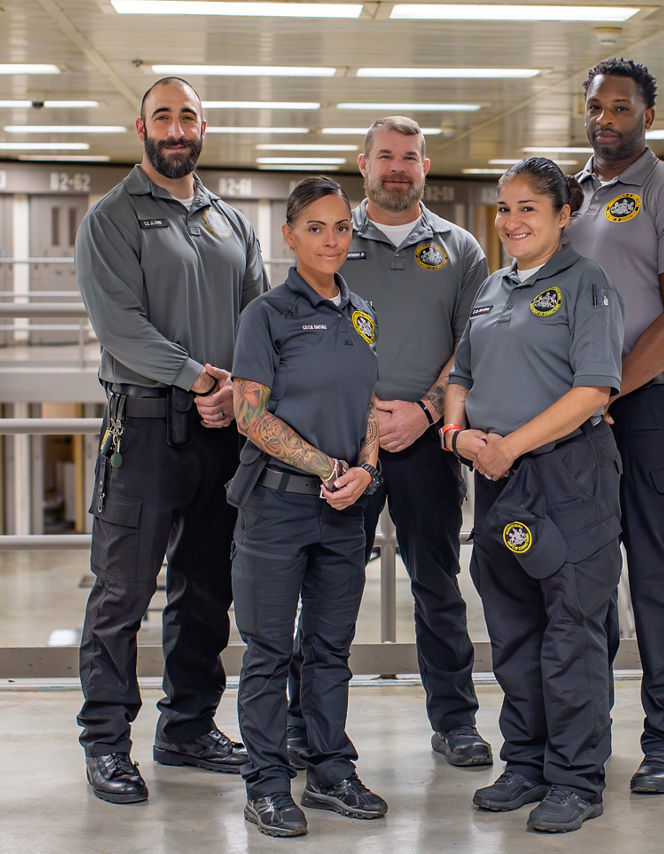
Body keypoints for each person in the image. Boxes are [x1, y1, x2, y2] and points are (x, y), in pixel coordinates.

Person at [73, 76, 267, 804]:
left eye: (187, 116)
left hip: (222, 432)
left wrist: (238, 387)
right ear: (142, 127)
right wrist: (199, 379)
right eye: (163, 116)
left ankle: (187, 727)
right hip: (147, 429)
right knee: (122, 592)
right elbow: (120, 327)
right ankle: (106, 743)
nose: (176, 128)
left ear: (204, 127)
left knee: (205, 587)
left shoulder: (229, 221)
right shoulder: (113, 218)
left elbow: (257, 313)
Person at [286, 116, 492, 768]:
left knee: (437, 585)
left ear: (425, 166)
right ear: (363, 163)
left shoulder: (461, 249)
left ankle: (455, 722)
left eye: (409, 157)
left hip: (427, 445)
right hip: (344, 444)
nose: (397, 167)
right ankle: (307, 726)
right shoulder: (334, 238)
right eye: (385, 156)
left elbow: (473, 344)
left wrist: (428, 411)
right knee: (327, 587)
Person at [445, 158, 626, 833]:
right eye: (504, 208)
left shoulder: (587, 285)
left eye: (527, 208)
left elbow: (593, 391)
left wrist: (509, 447)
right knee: (513, 628)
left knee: (572, 630)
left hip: (565, 478)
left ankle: (576, 777)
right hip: (497, 483)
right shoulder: (493, 288)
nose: (511, 221)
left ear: (562, 215)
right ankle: (525, 761)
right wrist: (460, 435)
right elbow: (460, 371)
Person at [566, 58, 664, 795]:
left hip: (647, 406)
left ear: (648, 117)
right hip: (576, 413)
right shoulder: (572, 194)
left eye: (622, 107)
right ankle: (583, 734)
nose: (607, 118)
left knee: (658, 578)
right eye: (597, 106)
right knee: (584, 580)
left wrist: (609, 389)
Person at [228, 176, 387, 839]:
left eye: (342, 227)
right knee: (268, 650)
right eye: (316, 227)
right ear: (289, 235)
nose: (331, 239)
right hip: (278, 508)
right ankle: (266, 783)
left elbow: (373, 406)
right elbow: (248, 415)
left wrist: (369, 470)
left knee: (329, 649)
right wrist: (328, 468)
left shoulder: (364, 311)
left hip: (345, 511)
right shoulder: (267, 314)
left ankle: (327, 769)